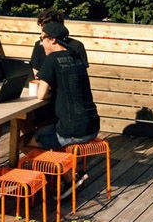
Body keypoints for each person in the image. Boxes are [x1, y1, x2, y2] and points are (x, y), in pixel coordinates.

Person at [29, 21, 100, 169]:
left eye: (42, 39)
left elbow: (41, 95)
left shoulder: (52, 59)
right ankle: (64, 172)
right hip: (93, 126)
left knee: (29, 141)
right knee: (48, 131)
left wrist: (48, 92)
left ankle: (65, 177)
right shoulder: (76, 56)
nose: (41, 44)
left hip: (74, 132)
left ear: (52, 39)